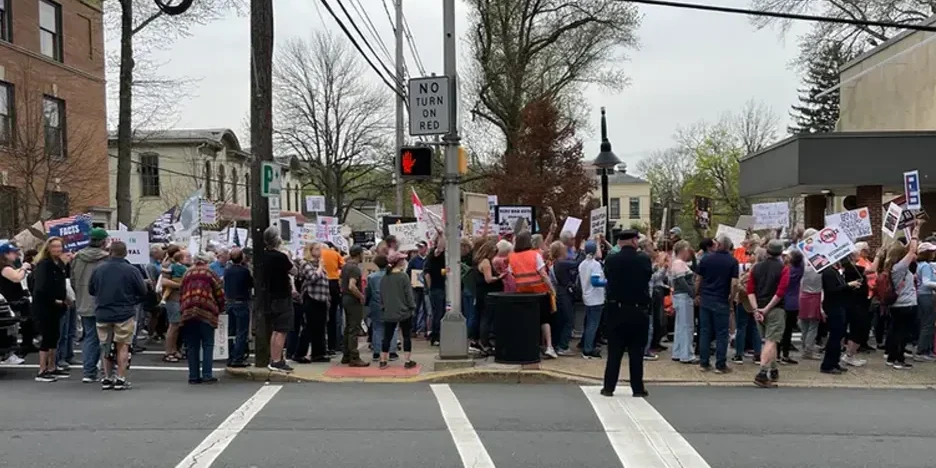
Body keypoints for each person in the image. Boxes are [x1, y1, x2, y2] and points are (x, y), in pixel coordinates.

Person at [600, 230, 652, 398]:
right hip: (638, 309)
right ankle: (637, 387)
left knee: (614, 351)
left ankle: (609, 387)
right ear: (633, 241)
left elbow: (608, 278)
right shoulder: (643, 259)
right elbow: (647, 277)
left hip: (617, 309)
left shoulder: (611, 259)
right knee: (636, 352)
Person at [88, 241, 147, 390]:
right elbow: (143, 291)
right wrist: (133, 300)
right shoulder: (132, 270)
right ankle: (120, 378)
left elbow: (91, 289)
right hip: (124, 312)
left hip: (103, 311)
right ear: (125, 253)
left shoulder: (99, 269)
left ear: (110, 252)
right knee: (123, 345)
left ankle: (107, 377)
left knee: (105, 345)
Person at [746, 240, 790, 388]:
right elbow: (780, 292)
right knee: (772, 340)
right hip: (775, 309)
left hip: (759, 306)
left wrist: (756, 308)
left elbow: (750, 290)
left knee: (769, 340)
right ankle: (762, 373)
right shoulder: (783, 269)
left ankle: (774, 368)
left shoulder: (756, 268)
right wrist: (768, 308)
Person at [509, 231, 558, 359]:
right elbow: (543, 274)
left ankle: (528, 345)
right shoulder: (534, 254)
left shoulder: (512, 257)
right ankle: (549, 346)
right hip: (540, 291)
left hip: (522, 292)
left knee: (527, 320)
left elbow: (511, 274)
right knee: (544, 320)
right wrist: (552, 289)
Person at [71, 228, 111, 383]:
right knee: (106, 338)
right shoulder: (106, 259)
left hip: (84, 301)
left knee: (90, 338)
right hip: (103, 302)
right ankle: (105, 372)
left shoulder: (78, 257)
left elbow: (73, 279)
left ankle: (88, 372)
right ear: (102, 242)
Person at [695, 235, 739, 374]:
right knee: (722, 333)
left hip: (706, 299)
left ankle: (704, 363)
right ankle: (720, 364)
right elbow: (734, 283)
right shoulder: (732, 262)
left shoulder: (706, 259)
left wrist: (697, 294)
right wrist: (731, 299)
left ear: (719, 244)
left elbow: (698, 279)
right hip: (721, 299)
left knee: (705, 332)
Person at [180, 252, 225, 384]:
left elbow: (182, 292)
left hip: (188, 311)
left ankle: (193, 376)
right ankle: (207, 374)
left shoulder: (187, 273)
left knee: (192, 345)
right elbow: (219, 292)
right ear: (206, 262)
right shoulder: (210, 273)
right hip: (206, 310)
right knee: (207, 343)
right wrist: (221, 308)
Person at [883, 222, 920, 370]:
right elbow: (912, 251)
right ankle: (899, 358)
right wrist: (916, 230)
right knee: (902, 333)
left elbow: (910, 250)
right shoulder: (900, 267)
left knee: (895, 330)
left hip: (896, 304)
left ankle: (892, 357)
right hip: (906, 304)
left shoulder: (891, 267)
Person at [32, 237, 70, 382]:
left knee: (55, 336)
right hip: (44, 306)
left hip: (58, 306)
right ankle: (42, 370)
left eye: (59, 247)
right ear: (48, 248)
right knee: (46, 338)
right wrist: (54, 300)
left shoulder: (59, 264)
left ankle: (52, 366)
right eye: (54, 247)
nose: (57, 249)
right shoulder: (44, 265)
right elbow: (40, 288)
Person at [263, 226, 299, 373]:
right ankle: (277, 361)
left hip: (270, 296)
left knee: (275, 330)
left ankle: (275, 358)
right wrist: (290, 258)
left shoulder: (263, 256)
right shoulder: (281, 257)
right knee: (282, 330)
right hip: (282, 295)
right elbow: (294, 271)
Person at [379, 251, 418, 369]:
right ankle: (407, 360)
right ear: (399, 262)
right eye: (402, 260)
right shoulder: (403, 276)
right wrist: (412, 307)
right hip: (404, 311)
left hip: (389, 311)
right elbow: (409, 295)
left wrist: (384, 307)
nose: (404, 261)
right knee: (406, 336)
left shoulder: (384, 277)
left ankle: (383, 360)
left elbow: (381, 296)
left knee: (387, 336)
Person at [296, 243, 331, 363]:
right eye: (316, 249)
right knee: (309, 327)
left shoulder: (319, 264)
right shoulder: (306, 264)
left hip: (321, 298)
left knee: (320, 327)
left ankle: (318, 353)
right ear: (310, 251)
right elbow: (313, 278)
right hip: (311, 297)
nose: (319, 251)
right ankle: (300, 353)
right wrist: (320, 267)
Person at [0, 243, 30, 365]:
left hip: (10, 301)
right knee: (10, 330)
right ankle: (7, 355)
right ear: (5, 254)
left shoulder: (7, 266)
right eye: (13, 253)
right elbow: (16, 278)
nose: (16, 255)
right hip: (9, 302)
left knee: (13, 329)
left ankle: (8, 354)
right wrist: (24, 268)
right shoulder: (4, 267)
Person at [223, 248, 253, 367]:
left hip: (230, 302)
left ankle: (230, 356)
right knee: (242, 331)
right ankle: (238, 357)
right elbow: (251, 283)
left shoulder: (227, 271)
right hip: (241, 302)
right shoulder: (244, 271)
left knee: (231, 331)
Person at [474, 237, 504, 355]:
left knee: (484, 318)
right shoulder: (486, 262)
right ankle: (484, 342)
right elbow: (488, 279)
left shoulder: (479, 261)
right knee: (486, 318)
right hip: (487, 294)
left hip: (482, 293)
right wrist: (499, 277)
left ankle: (483, 341)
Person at [669, 240, 697, 364]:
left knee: (680, 325)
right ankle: (687, 354)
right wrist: (692, 293)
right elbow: (681, 281)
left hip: (680, 296)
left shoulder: (677, 263)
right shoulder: (679, 263)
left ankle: (678, 351)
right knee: (687, 326)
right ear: (684, 250)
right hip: (684, 296)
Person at [340, 245, 368, 367]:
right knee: (354, 328)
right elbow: (352, 285)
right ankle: (354, 356)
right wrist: (361, 296)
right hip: (352, 299)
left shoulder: (345, 266)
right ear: (359, 254)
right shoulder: (355, 269)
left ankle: (346, 354)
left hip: (345, 298)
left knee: (348, 327)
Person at [365, 255, 398, 362]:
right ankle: (392, 352)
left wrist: (366, 304)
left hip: (376, 304)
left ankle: (377, 353)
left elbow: (368, 293)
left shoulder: (372, 277)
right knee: (393, 328)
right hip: (392, 304)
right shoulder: (394, 276)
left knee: (377, 328)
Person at [578, 240, 606, 359]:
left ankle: (586, 345)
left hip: (587, 295)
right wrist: (608, 282)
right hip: (596, 297)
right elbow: (595, 282)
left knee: (589, 323)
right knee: (593, 324)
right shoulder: (595, 264)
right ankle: (588, 349)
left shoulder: (582, 264)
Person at [160, 249, 188, 363]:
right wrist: (180, 285)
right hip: (173, 300)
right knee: (173, 326)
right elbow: (164, 282)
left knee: (177, 326)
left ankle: (174, 349)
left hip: (179, 299)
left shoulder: (181, 267)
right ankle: (168, 352)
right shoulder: (169, 266)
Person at [780, 250, 804, 364]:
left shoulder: (786, 271)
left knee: (781, 329)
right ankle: (785, 354)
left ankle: (778, 354)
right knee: (788, 330)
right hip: (794, 303)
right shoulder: (799, 269)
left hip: (784, 301)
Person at [321, 243, 345, 355]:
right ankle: (332, 346)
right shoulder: (334, 253)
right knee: (333, 316)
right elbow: (343, 266)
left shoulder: (316, 256)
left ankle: (322, 345)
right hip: (333, 283)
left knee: (321, 317)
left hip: (320, 283)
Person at [406, 241, 429, 336]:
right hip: (416, 288)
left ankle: (427, 330)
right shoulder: (413, 261)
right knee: (415, 309)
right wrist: (412, 282)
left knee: (427, 310)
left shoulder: (429, 259)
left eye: (422, 247)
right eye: (418, 247)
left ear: (426, 248)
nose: (420, 249)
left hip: (426, 288)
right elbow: (408, 273)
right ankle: (413, 329)